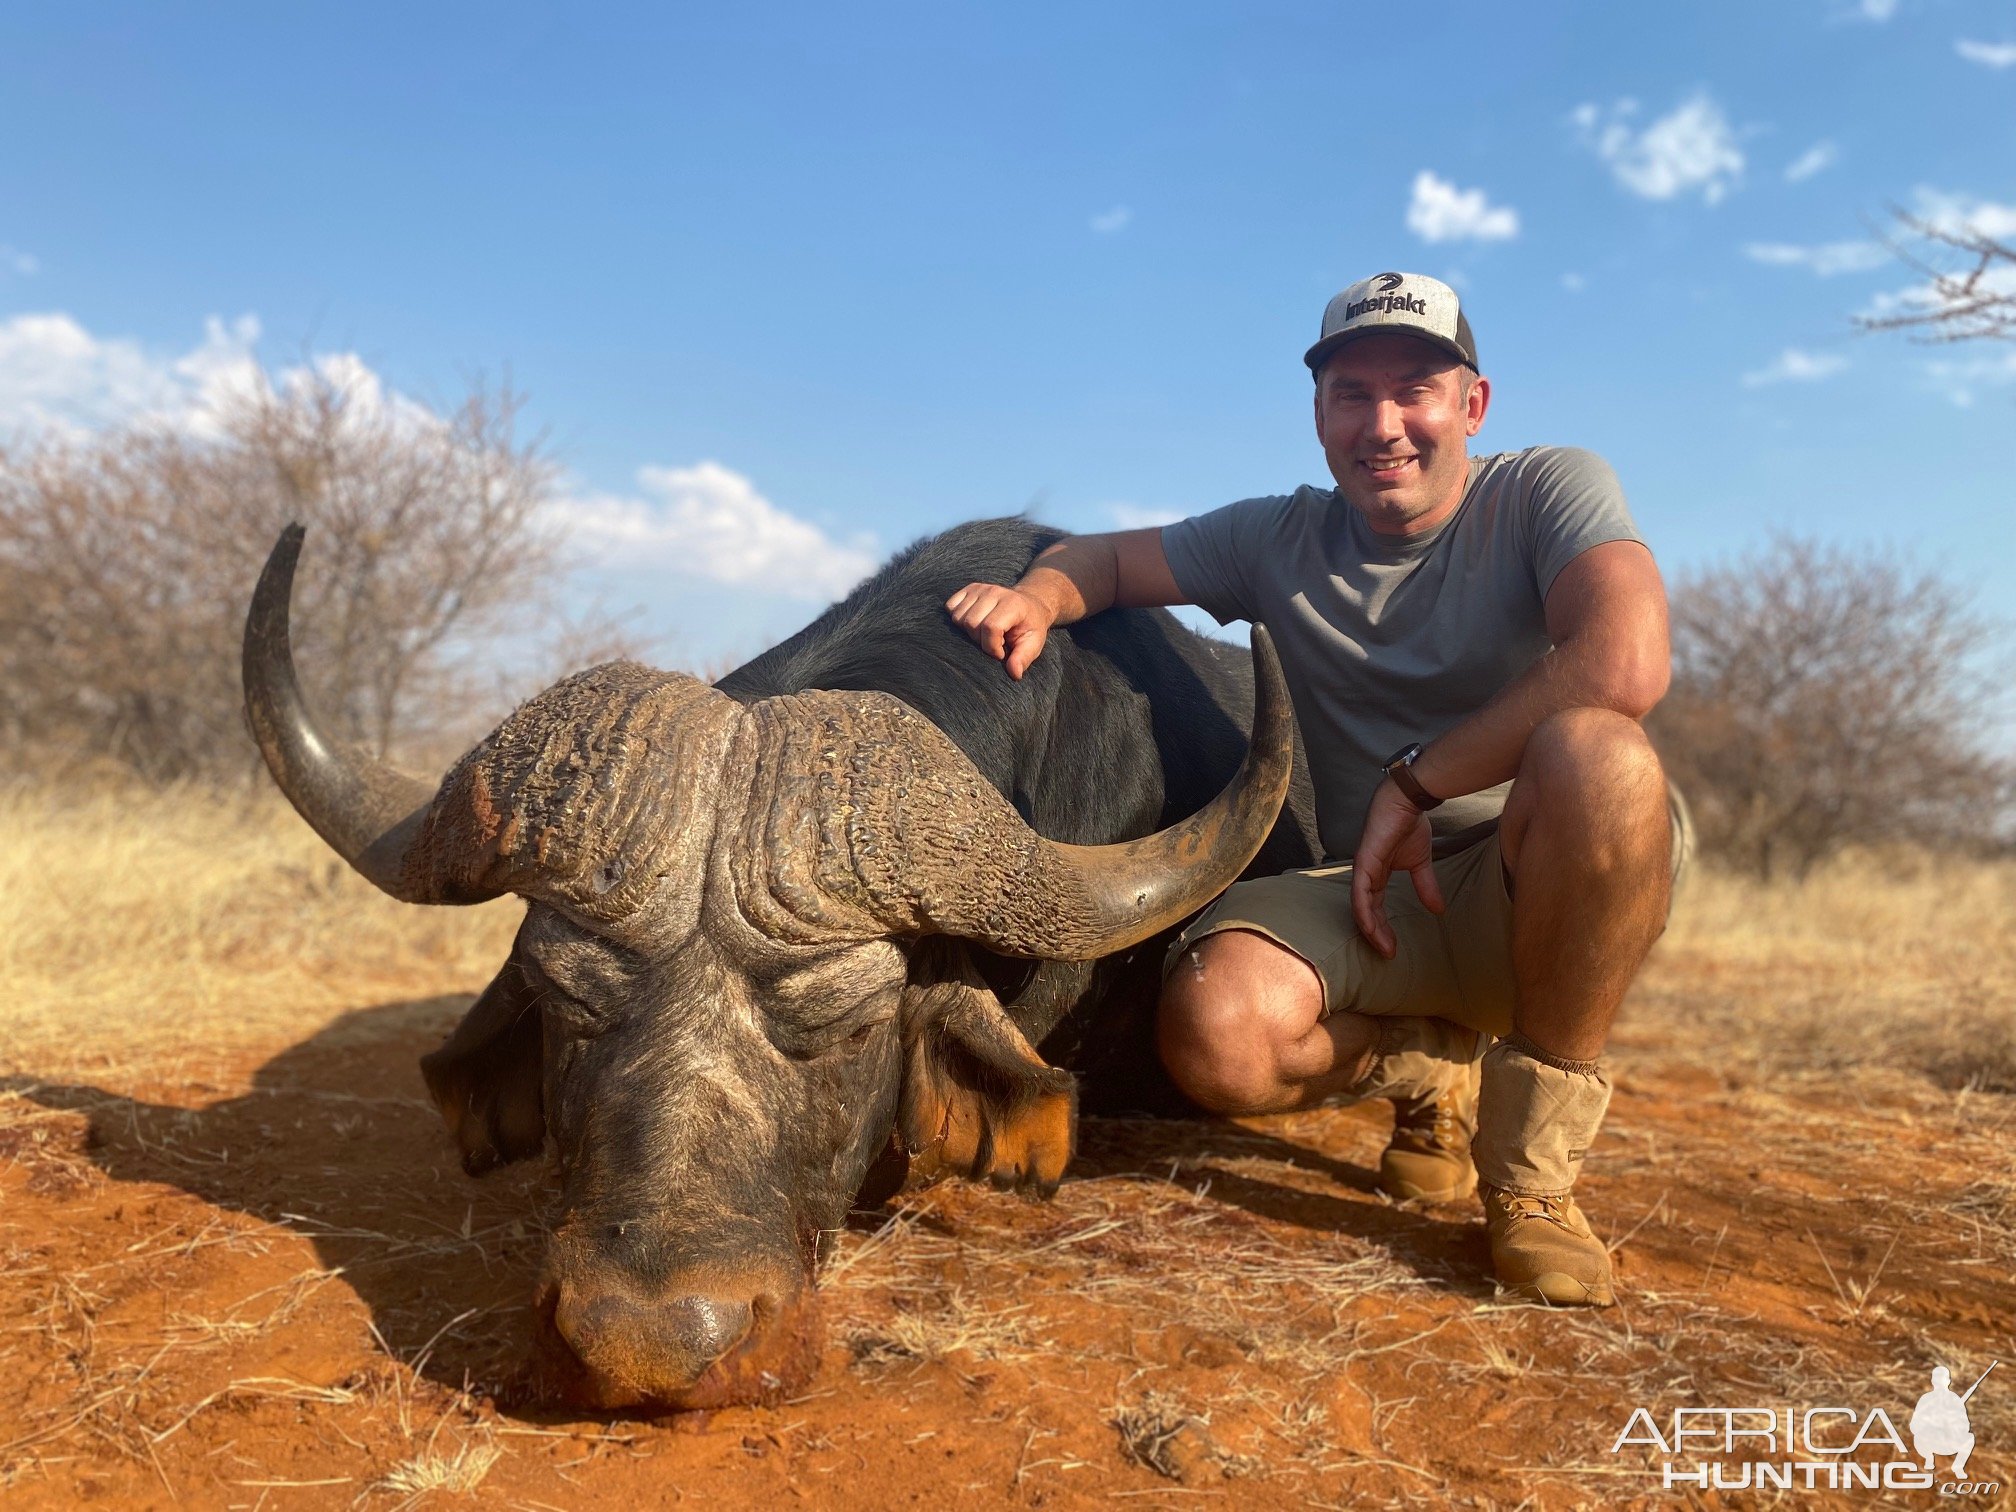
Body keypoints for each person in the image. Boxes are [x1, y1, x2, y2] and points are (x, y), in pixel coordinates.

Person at [945, 271, 1685, 1307]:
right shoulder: (1275, 537)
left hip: (1539, 884)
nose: (1384, 424)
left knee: (1601, 758)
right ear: (1319, 415)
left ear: (1472, 405)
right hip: (1378, 894)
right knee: (1218, 1029)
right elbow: (1105, 561)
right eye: (1351, 393)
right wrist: (1036, 594)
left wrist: (1416, 785)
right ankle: (1428, 1072)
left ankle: (1532, 1186)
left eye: (1415, 389)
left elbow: (1627, 658)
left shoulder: (1548, 489)